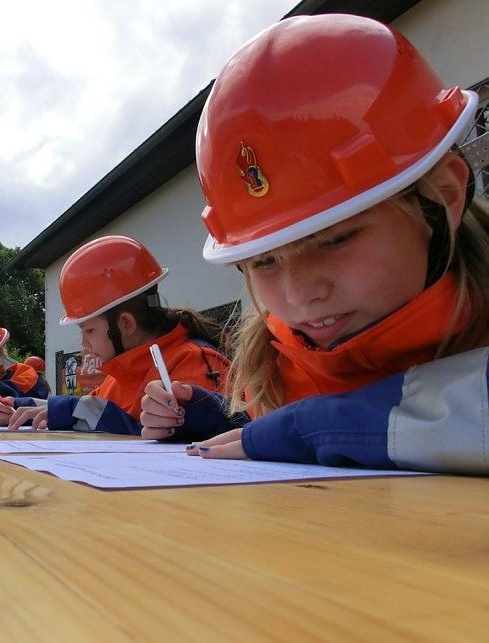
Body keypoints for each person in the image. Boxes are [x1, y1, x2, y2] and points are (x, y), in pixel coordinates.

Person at [140, 14, 489, 474]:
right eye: (264, 261)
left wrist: (322, 427)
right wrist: (228, 419)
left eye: (336, 239)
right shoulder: (274, 363)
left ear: (445, 196)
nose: (299, 294)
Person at [0, 235, 232, 438]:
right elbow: (81, 409)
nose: (83, 342)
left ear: (125, 324)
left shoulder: (195, 362)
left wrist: (71, 409)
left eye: (88, 330)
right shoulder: (120, 374)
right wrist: (17, 406)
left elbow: (181, 442)